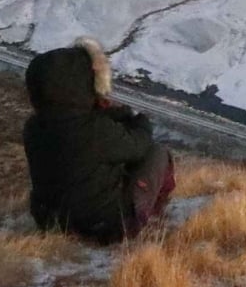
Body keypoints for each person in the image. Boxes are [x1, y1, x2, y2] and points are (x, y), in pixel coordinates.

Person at [23, 37, 175, 242]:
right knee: (158, 153)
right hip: (103, 227)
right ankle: (149, 218)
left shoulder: (33, 127)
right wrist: (139, 120)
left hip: (51, 221)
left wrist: (108, 113)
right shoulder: (95, 130)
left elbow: (72, 125)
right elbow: (139, 145)